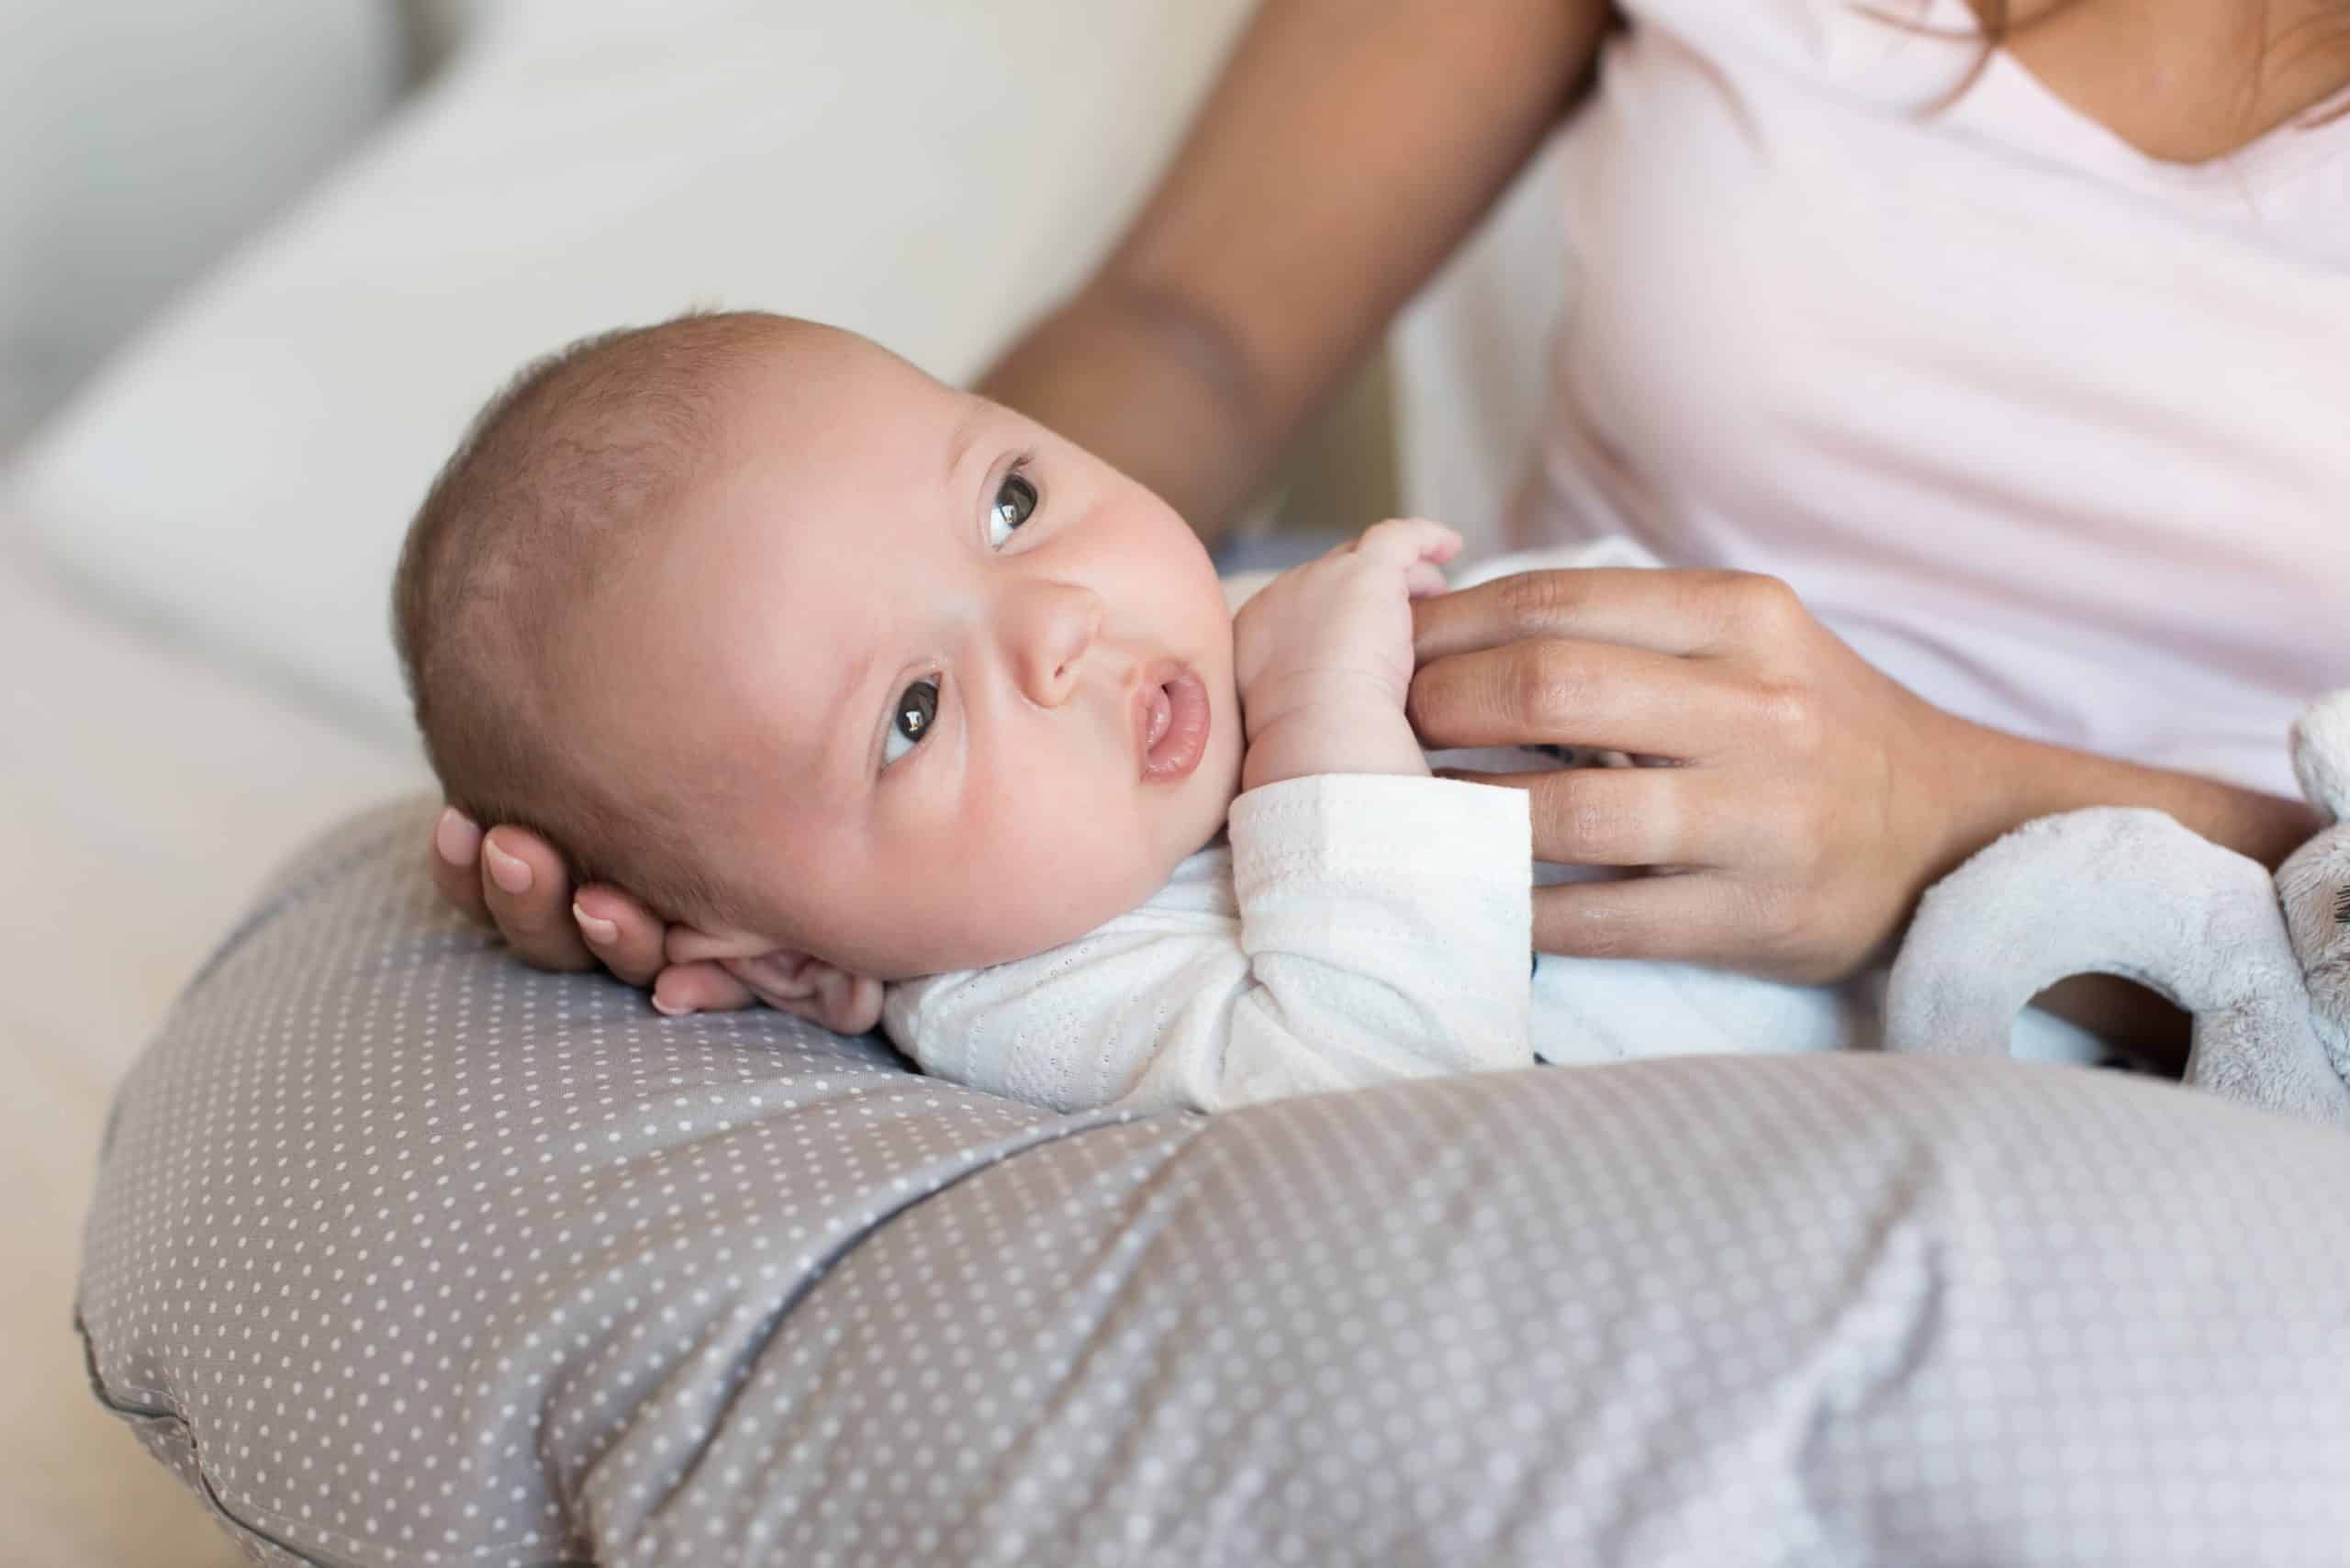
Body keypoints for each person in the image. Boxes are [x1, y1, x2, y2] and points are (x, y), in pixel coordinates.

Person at [422, 0, 2347, 1054]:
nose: (1050, 619)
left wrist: (1945, 817)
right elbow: (1195, 327)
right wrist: (736, 741)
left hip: (2176, 1017)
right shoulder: (1032, 902)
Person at [398, 313, 2125, 1113]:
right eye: (913, 714)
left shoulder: (1203, 648)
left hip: (2084, 941)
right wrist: (1323, 726)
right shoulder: (1042, 980)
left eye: (1009, 503)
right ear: (791, 964)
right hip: (2021, 1114)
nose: (1060, 627)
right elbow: (1388, 1097)